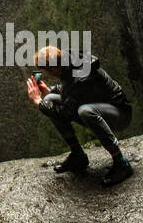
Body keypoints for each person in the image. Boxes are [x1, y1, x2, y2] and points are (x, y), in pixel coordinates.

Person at [27, 45, 133, 186]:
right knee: (50, 99)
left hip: (119, 114)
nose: (46, 74)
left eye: (45, 70)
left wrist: (38, 101)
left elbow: (65, 112)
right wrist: (49, 91)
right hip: (100, 107)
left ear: (53, 69)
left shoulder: (81, 76)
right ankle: (78, 155)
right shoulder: (68, 62)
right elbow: (70, 89)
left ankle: (121, 162)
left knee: (85, 111)